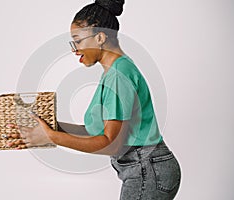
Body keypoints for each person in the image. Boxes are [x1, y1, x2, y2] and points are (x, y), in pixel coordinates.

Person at [11, 0, 181, 199]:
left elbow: (112, 144)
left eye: (78, 40)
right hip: (147, 169)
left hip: (148, 171)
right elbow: (95, 132)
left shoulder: (119, 75)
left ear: (100, 37)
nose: (74, 50)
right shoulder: (115, 71)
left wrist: (51, 137)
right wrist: (51, 127)